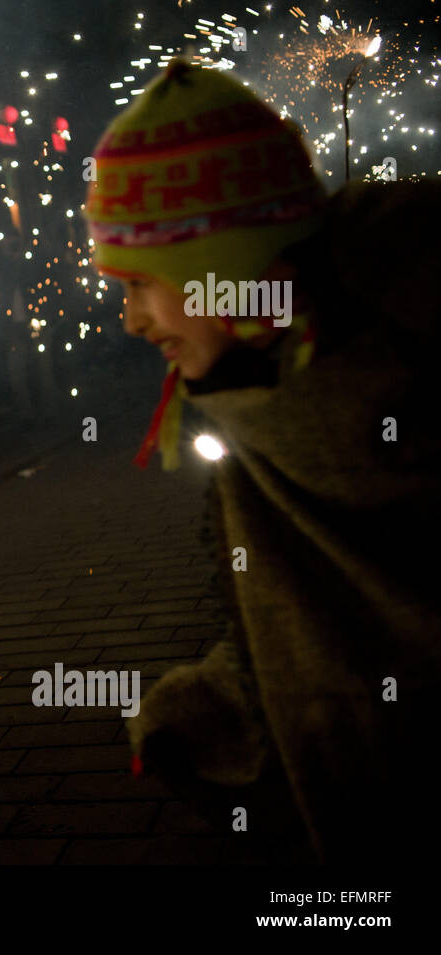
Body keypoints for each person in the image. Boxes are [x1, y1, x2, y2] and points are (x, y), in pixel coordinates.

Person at [84, 59, 441, 861]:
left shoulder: (390, 390)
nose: (132, 320)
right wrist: (221, 701)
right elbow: (312, 614)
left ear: (235, 275)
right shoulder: (267, 380)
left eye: (143, 282)